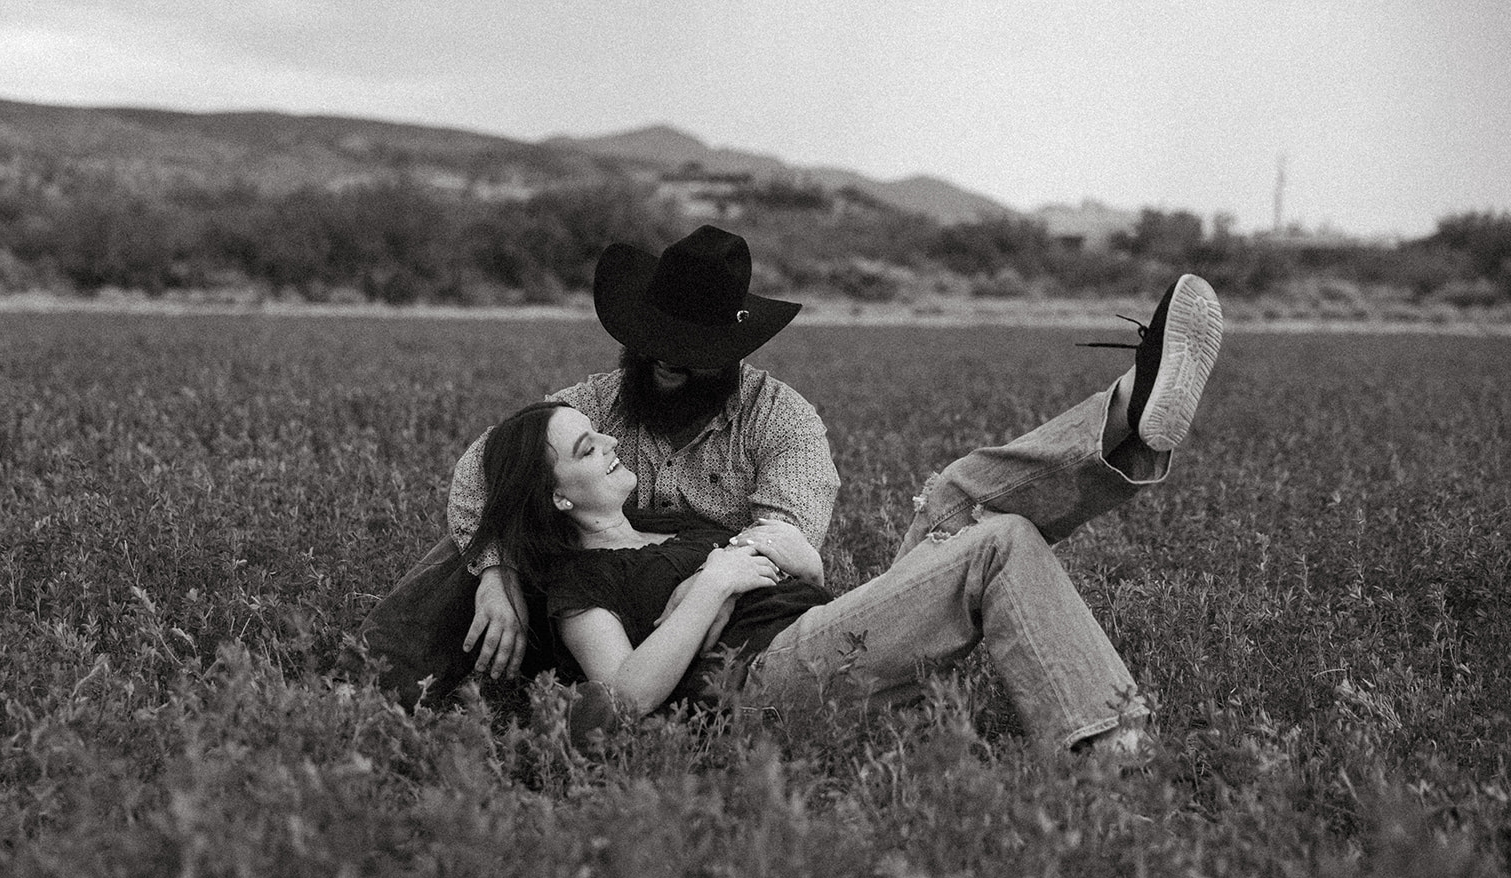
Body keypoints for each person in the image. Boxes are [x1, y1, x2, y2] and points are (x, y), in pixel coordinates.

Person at [470, 274, 1224, 756]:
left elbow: (799, 552)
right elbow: (618, 705)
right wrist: (712, 585)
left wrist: (760, 556)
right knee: (1000, 543)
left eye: (596, 431)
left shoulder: (746, 452)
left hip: (824, 637)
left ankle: (1125, 410)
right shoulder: (581, 578)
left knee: (956, 499)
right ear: (559, 496)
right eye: (582, 446)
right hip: (765, 685)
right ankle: (1112, 751)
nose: (601, 434)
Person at [359, 225, 841, 704]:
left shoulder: (782, 418)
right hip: (599, 600)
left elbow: (789, 535)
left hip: (722, 609)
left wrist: (716, 579)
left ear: (731, 353)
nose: (666, 358)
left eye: (688, 348)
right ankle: (379, 677)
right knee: (487, 531)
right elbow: (486, 464)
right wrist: (496, 572)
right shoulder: (597, 401)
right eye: (654, 339)